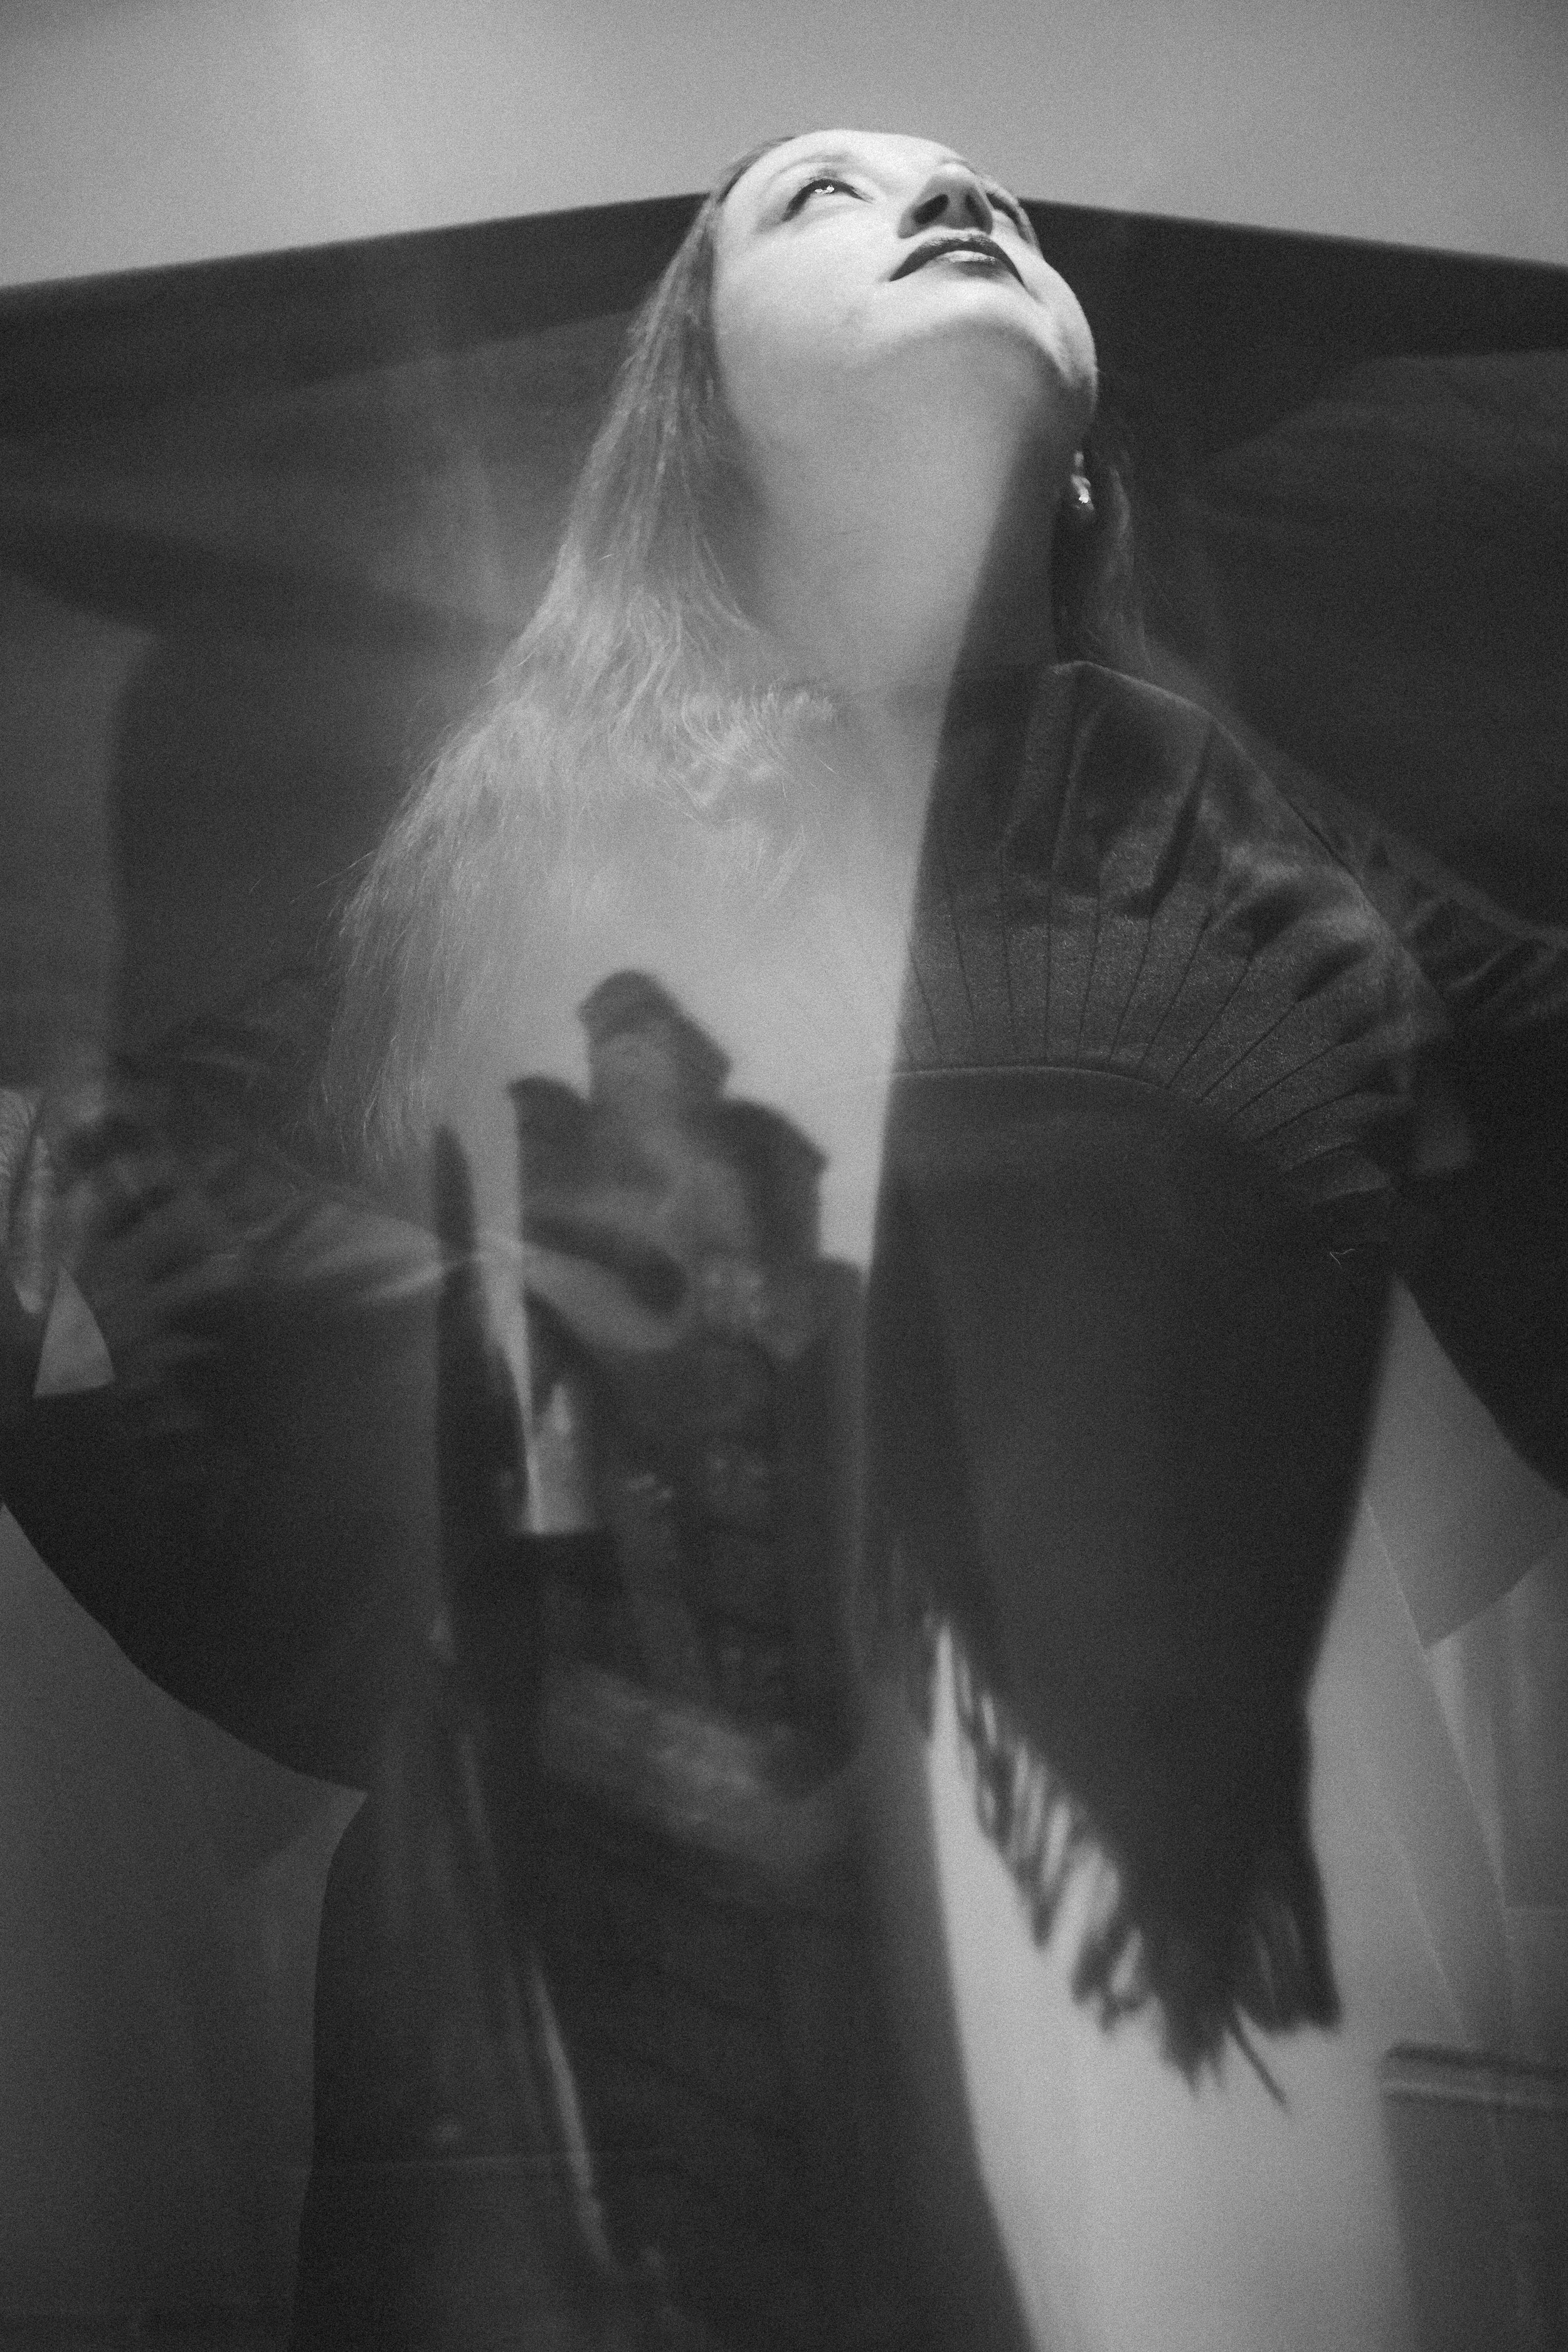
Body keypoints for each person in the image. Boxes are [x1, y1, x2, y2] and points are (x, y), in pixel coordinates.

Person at [3, 127, 1566, 2351]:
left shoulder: (1200, 815)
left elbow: (1526, 1080)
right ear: (695, 409)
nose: (952, 205)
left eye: (990, 198)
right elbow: (163, 1244)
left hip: (1118, 1926)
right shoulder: (518, 826)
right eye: (819, 200)